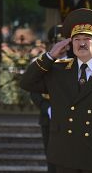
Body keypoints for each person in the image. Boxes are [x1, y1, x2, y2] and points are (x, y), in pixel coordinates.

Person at [20, 8, 92, 173]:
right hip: (65, 157)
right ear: (70, 43)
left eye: (87, 39)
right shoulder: (58, 70)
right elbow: (27, 82)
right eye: (76, 39)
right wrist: (50, 56)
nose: (81, 43)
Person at [30, 24, 71, 173]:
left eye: (63, 42)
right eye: (56, 42)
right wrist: (46, 107)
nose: (60, 46)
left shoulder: (77, 63)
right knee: (52, 158)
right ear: (51, 44)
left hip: (71, 117)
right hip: (48, 116)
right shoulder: (42, 63)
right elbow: (33, 90)